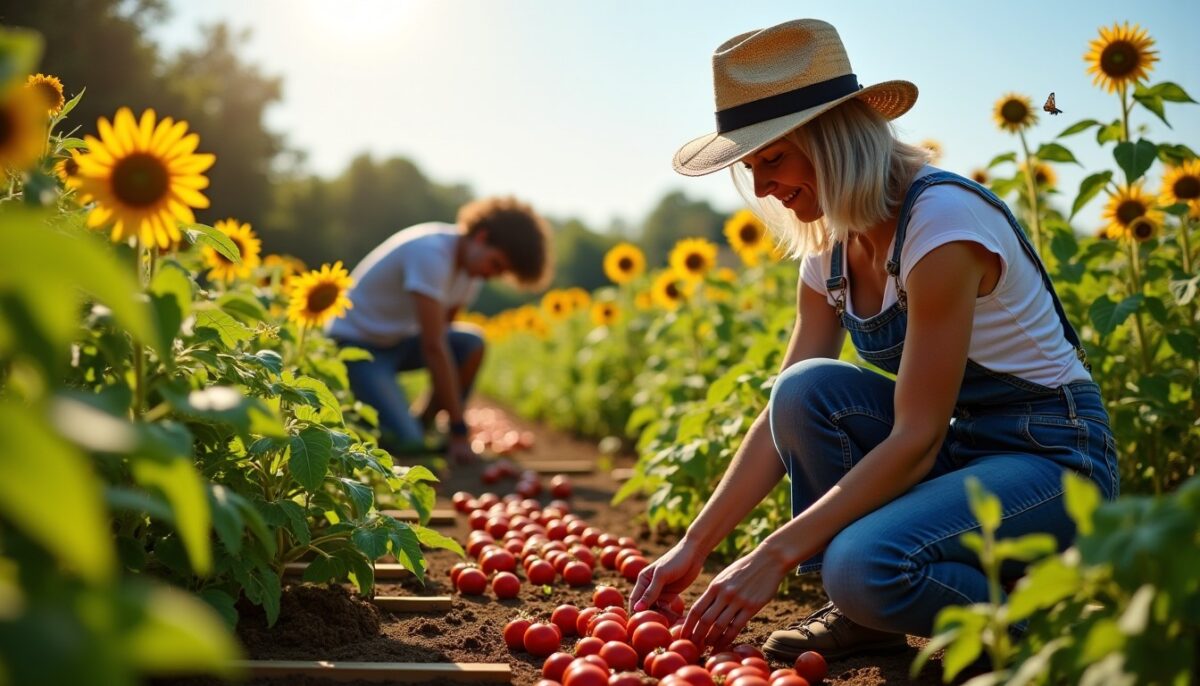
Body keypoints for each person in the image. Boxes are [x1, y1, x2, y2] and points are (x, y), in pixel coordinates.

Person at [628, 18, 1117, 664]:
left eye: (773, 157)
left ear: (833, 137)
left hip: (1052, 458)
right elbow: (783, 415)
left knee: (861, 567)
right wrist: (693, 545)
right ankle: (869, 619)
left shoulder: (941, 225)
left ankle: (1050, 634)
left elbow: (915, 440)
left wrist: (773, 554)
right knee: (803, 392)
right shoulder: (829, 248)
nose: (765, 186)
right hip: (965, 452)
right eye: (753, 167)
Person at [327, 196, 552, 464]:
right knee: (407, 442)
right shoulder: (431, 253)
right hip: (355, 345)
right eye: (496, 264)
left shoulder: (471, 273)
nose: (492, 275)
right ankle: (409, 430)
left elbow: (443, 337)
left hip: (396, 343)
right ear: (481, 237)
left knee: (471, 344)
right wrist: (460, 431)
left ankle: (425, 423)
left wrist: (450, 415)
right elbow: (433, 346)